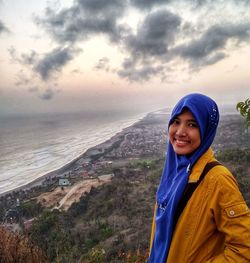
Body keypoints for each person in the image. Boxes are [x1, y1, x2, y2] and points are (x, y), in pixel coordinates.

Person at [148, 93, 250, 263]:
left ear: (206, 130)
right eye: (176, 122)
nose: (180, 132)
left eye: (192, 124)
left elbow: (244, 249)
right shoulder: (174, 172)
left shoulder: (218, 179)